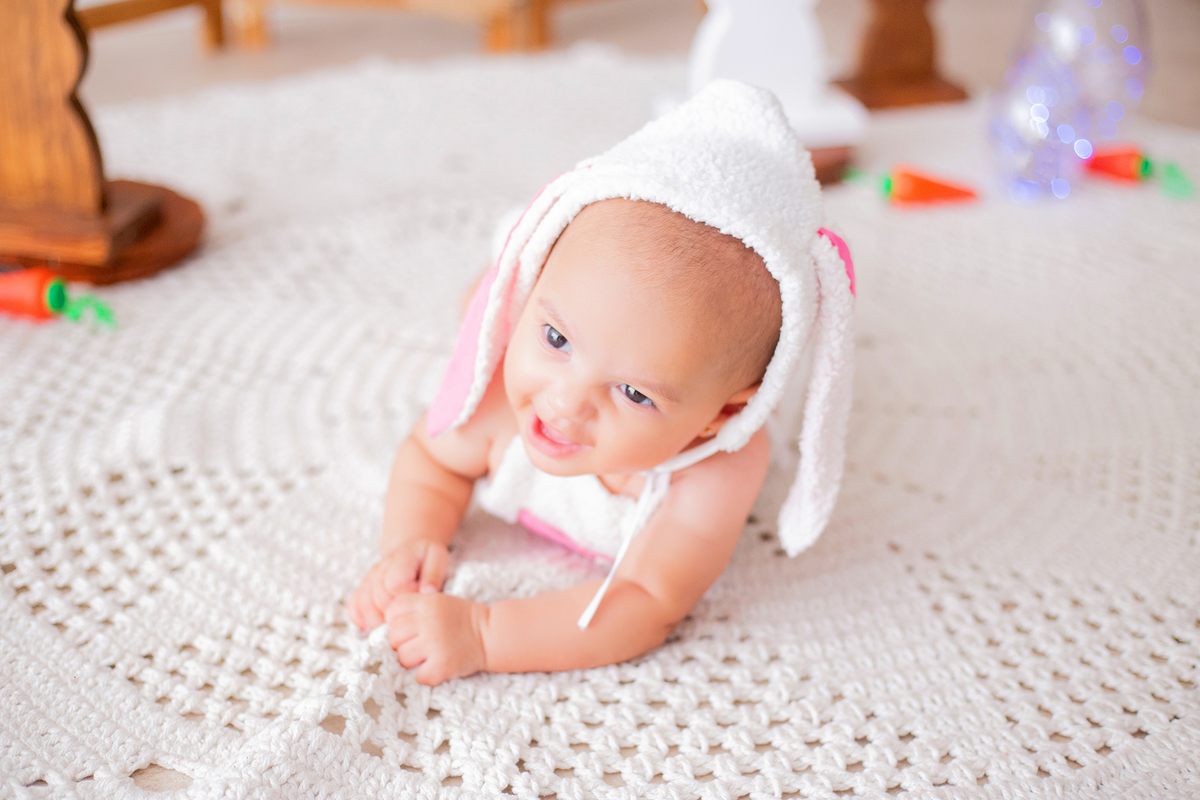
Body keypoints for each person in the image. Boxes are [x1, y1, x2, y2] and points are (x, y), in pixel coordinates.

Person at [347, 80, 857, 686]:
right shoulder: (499, 398)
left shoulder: (719, 465)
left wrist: (483, 634)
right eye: (556, 340)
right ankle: (498, 282)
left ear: (717, 417)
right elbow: (431, 460)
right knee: (483, 306)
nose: (565, 403)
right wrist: (409, 542)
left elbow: (645, 602)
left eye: (634, 394)